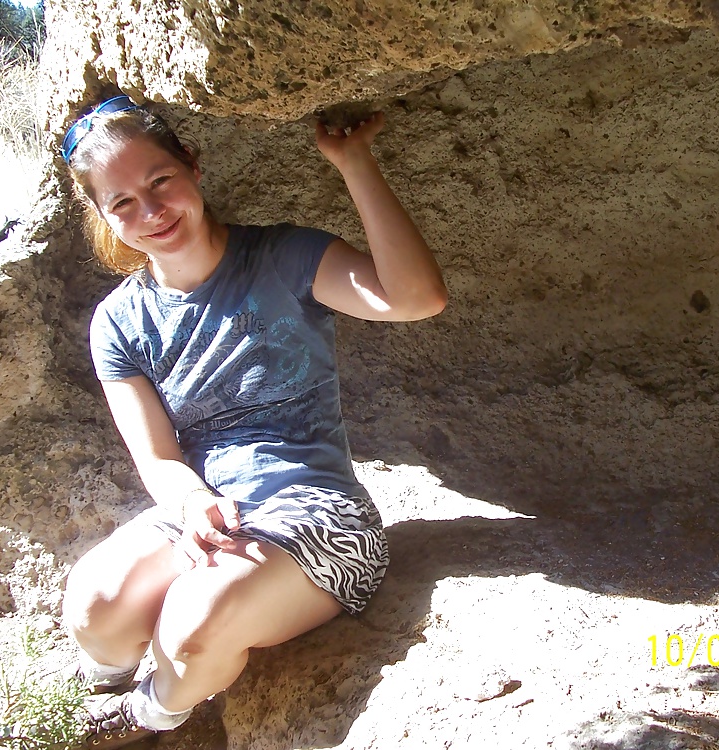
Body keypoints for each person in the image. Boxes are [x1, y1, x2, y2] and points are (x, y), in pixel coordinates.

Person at [59, 95, 446, 749]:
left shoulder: (283, 258)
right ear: (102, 215)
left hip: (322, 517)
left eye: (160, 182)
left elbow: (417, 298)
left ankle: (149, 715)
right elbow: (156, 458)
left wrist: (354, 164)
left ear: (193, 165)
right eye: (122, 203)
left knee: (192, 624)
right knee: (92, 605)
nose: (151, 212)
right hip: (208, 507)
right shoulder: (120, 322)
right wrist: (191, 504)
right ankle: (101, 684)